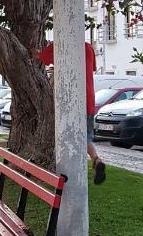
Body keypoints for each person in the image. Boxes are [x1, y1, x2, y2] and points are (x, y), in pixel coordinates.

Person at [35, 41, 106, 185]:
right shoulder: (88, 48)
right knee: (86, 137)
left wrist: (36, 52)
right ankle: (96, 160)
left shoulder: (62, 42)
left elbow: (41, 57)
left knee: (71, 136)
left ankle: (73, 172)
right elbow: (91, 69)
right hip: (89, 100)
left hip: (73, 101)